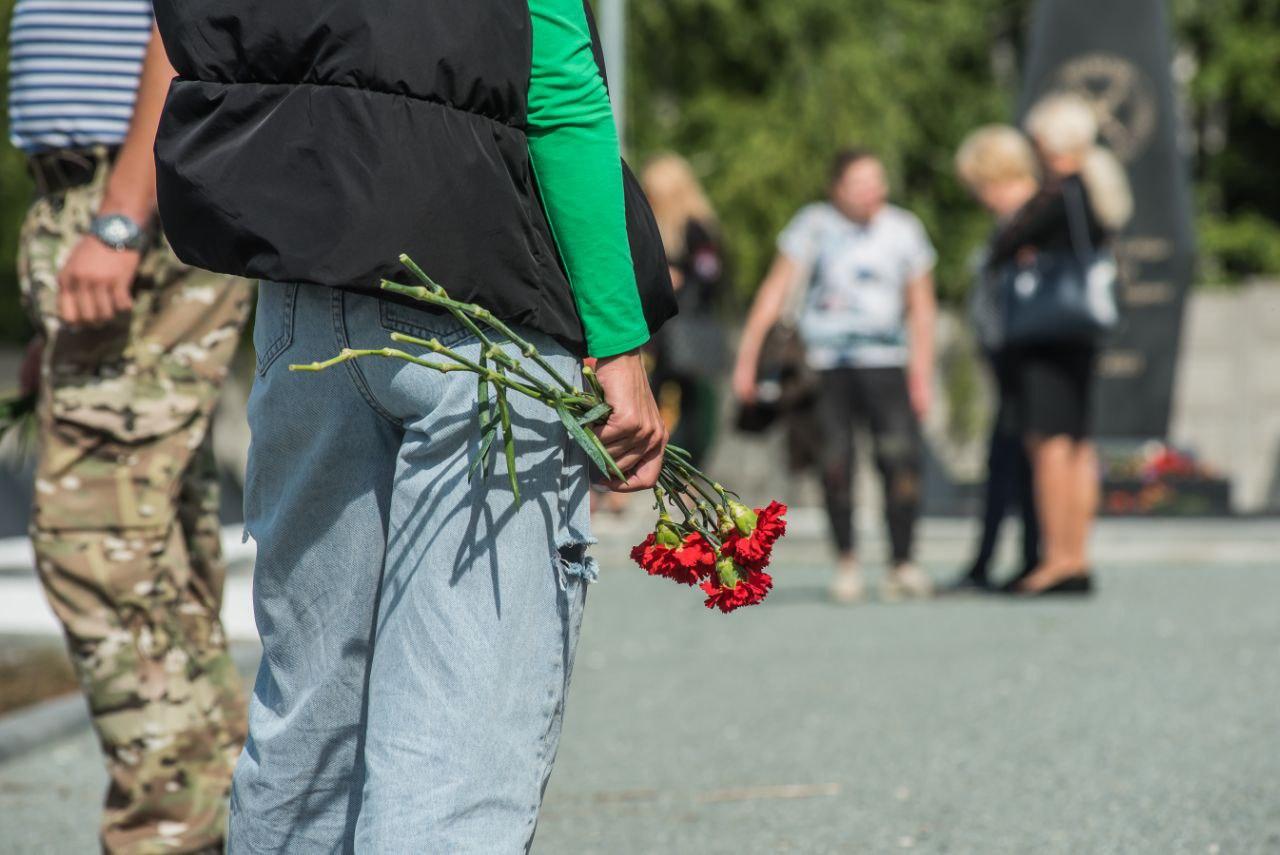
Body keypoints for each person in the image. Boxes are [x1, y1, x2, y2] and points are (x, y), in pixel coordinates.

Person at [152, 0, 669, 849]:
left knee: (310, 728)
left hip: (307, 296)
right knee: (455, 750)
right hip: (481, 299)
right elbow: (557, 81)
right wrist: (617, 344)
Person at [8, 5, 251, 851]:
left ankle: (171, 834)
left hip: (131, 195)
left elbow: (186, 13)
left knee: (96, 540)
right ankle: (229, 817)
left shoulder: (123, 204)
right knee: (160, 552)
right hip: (109, 199)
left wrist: (119, 215)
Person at [733, 149, 938, 604]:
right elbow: (774, 292)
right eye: (860, 183)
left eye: (877, 181)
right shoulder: (813, 226)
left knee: (899, 460)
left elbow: (922, 307)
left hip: (885, 361)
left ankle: (902, 562)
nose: (872, 192)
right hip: (824, 365)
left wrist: (922, 373)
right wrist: (749, 360)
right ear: (837, 189)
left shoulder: (903, 229)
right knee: (835, 462)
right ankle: (846, 561)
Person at [988, 94, 1134, 596]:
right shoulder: (1100, 184)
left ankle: (1056, 560)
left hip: (1046, 333)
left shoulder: (1061, 192)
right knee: (1077, 445)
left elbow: (1003, 244)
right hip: (1084, 329)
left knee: (1048, 444)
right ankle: (1078, 555)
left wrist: (1021, 243)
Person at [947, 125, 1044, 593]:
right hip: (1008, 357)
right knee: (1010, 459)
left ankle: (1013, 560)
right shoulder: (1014, 221)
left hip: (1024, 357)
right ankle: (1001, 560)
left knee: (1013, 459)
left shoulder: (1029, 220)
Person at [642, 154, 729, 467]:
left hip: (687, 331)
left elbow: (711, 277)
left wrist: (679, 277)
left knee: (691, 406)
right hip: (661, 333)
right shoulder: (656, 229)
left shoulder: (696, 230)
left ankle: (689, 471)